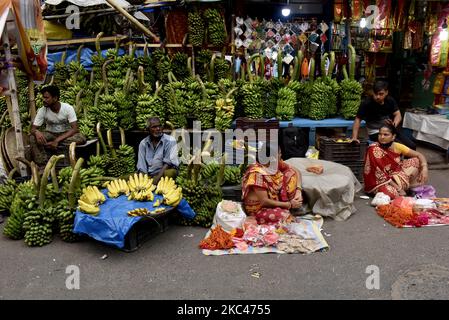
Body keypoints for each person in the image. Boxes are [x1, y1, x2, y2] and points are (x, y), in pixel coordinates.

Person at [241, 143, 303, 225]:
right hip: (259, 208)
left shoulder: (274, 163)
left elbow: (296, 171)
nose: (281, 155)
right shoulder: (257, 173)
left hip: (274, 200)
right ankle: (288, 206)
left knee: (291, 173)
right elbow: (264, 201)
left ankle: (291, 204)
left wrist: (298, 191)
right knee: (284, 217)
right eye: (279, 153)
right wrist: (289, 204)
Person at [363, 123, 428, 199]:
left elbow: (419, 155)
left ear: (393, 137)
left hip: (394, 175)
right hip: (379, 182)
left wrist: (425, 168)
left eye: (386, 135)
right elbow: (380, 174)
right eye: (380, 134)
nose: (382, 137)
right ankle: (404, 188)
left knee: (416, 160)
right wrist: (398, 188)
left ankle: (408, 187)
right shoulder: (374, 149)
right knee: (392, 194)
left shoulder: (397, 146)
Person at [30, 85, 86, 166]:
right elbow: (32, 129)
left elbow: (74, 129)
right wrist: (36, 132)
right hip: (51, 134)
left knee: (82, 138)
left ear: (55, 98)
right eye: (43, 97)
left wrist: (56, 141)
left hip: (66, 135)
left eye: (46, 98)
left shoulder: (67, 108)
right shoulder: (42, 110)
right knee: (32, 138)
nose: (43, 100)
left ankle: (67, 161)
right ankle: (42, 163)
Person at [351, 80, 416, 150]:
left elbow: (398, 115)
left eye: (381, 94)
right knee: (400, 147)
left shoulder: (390, 100)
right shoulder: (366, 103)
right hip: (376, 132)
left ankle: (407, 161)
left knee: (411, 146)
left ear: (386, 92)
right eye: (375, 94)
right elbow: (357, 119)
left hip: (390, 129)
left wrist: (393, 124)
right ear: (372, 92)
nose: (378, 97)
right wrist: (354, 137)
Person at [137, 117, 179, 184]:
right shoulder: (143, 143)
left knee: (169, 173)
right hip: (150, 175)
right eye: (154, 127)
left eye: (159, 126)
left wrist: (156, 179)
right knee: (127, 178)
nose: (158, 129)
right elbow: (142, 166)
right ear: (148, 129)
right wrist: (143, 181)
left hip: (164, 173)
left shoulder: (170, 141)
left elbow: (168, 163)